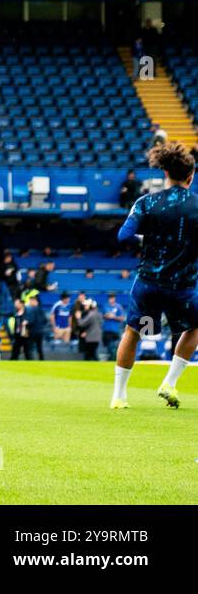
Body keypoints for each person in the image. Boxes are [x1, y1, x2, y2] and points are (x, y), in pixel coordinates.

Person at [111, 142, 198, 409]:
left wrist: (152, 237)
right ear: (190, 176)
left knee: (133, 331)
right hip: (182, 286)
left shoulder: (146, 202)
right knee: (194, 327)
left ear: (165, 174)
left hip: (148, 283)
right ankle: (169, 382)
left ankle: (119, 396)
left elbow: (123, 236)